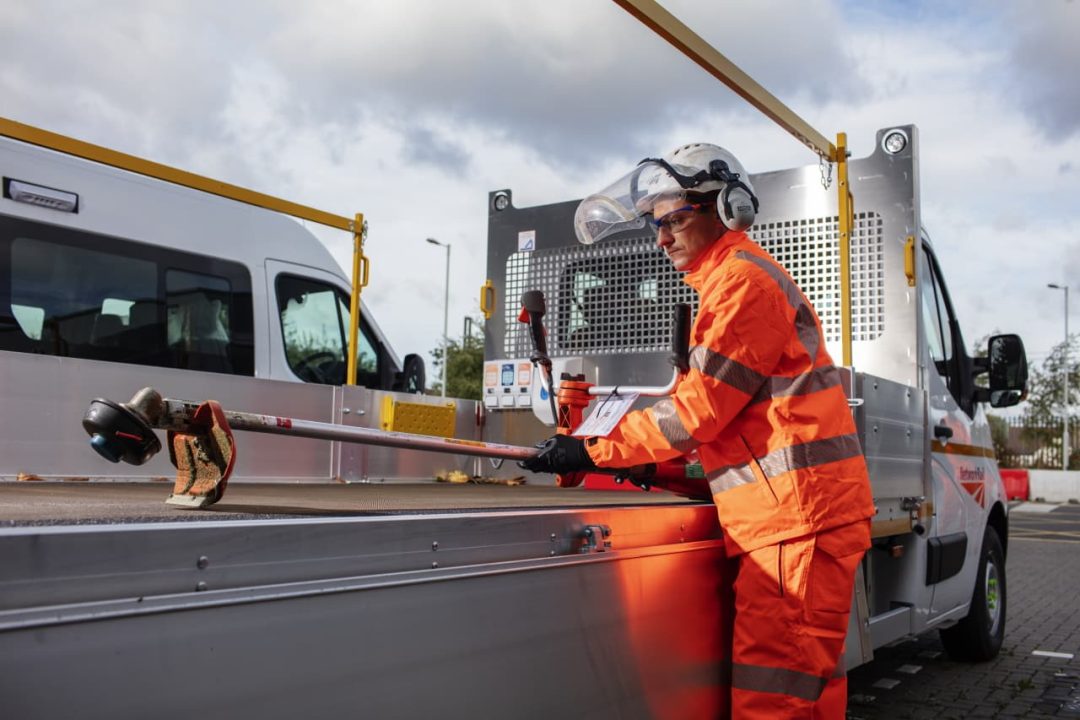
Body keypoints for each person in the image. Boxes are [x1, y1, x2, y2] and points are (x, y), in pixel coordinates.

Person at [521, 143, 875, 718]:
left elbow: (696, 412)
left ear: (726, 208)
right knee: (807, 694)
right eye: (656, 226)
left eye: (675, 221)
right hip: (796, 520)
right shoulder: (732, 284)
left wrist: (590, 449)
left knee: (775, 700)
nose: (661, 239)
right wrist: (644, 464)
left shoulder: (742, 285)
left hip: (793, 525)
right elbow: (738, 429)